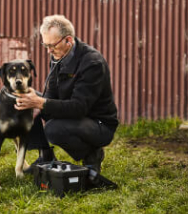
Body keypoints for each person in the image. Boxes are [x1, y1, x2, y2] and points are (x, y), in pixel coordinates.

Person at [14, 14, 118, 176]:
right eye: (45, 45)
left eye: (52, 46)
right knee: (24, 99)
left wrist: (41, 103)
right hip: (71, 112)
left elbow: (79, 107)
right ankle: (45, 154)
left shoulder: (92, 63)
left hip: (98, 124)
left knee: (53, 129)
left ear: (68, 40)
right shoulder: (57, 56)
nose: (49, 50)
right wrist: (35, 103)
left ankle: (92, 155)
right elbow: (52, 95)